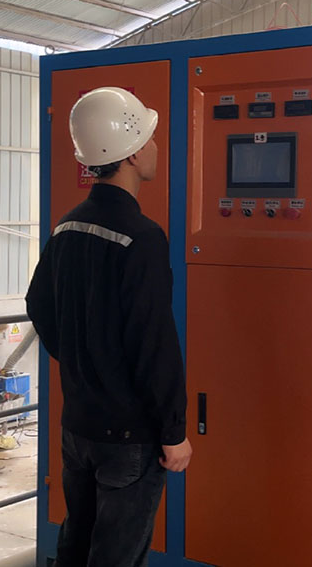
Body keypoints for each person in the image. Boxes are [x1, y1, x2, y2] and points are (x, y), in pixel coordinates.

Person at [26, 87, 191, 567]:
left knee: (75, 546)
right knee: (116, 557)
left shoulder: (67, 226)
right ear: (133, 152)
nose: (156, 146)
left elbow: (39, 305)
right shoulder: (142, 236)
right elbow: (153, 343)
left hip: (79, 426)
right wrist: (174, 431)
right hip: (128, 438)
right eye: (150, 137)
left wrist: (85, 363)